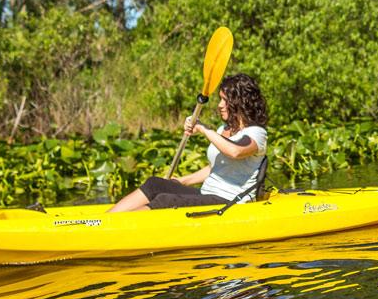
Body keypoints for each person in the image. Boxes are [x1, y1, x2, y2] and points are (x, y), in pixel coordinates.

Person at [109, 72, 270, 211]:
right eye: (220, 99)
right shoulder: (223, 129)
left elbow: (235, 152)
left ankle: (110, 229)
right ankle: (100, 222)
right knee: (155, 184)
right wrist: (181, 181)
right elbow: (216, 167)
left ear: (240, 102)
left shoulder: (256, 133)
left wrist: (204, 129)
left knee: (166, 200)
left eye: (225, 100)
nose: (220, 105)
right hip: (207, 194)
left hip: (230, 202)